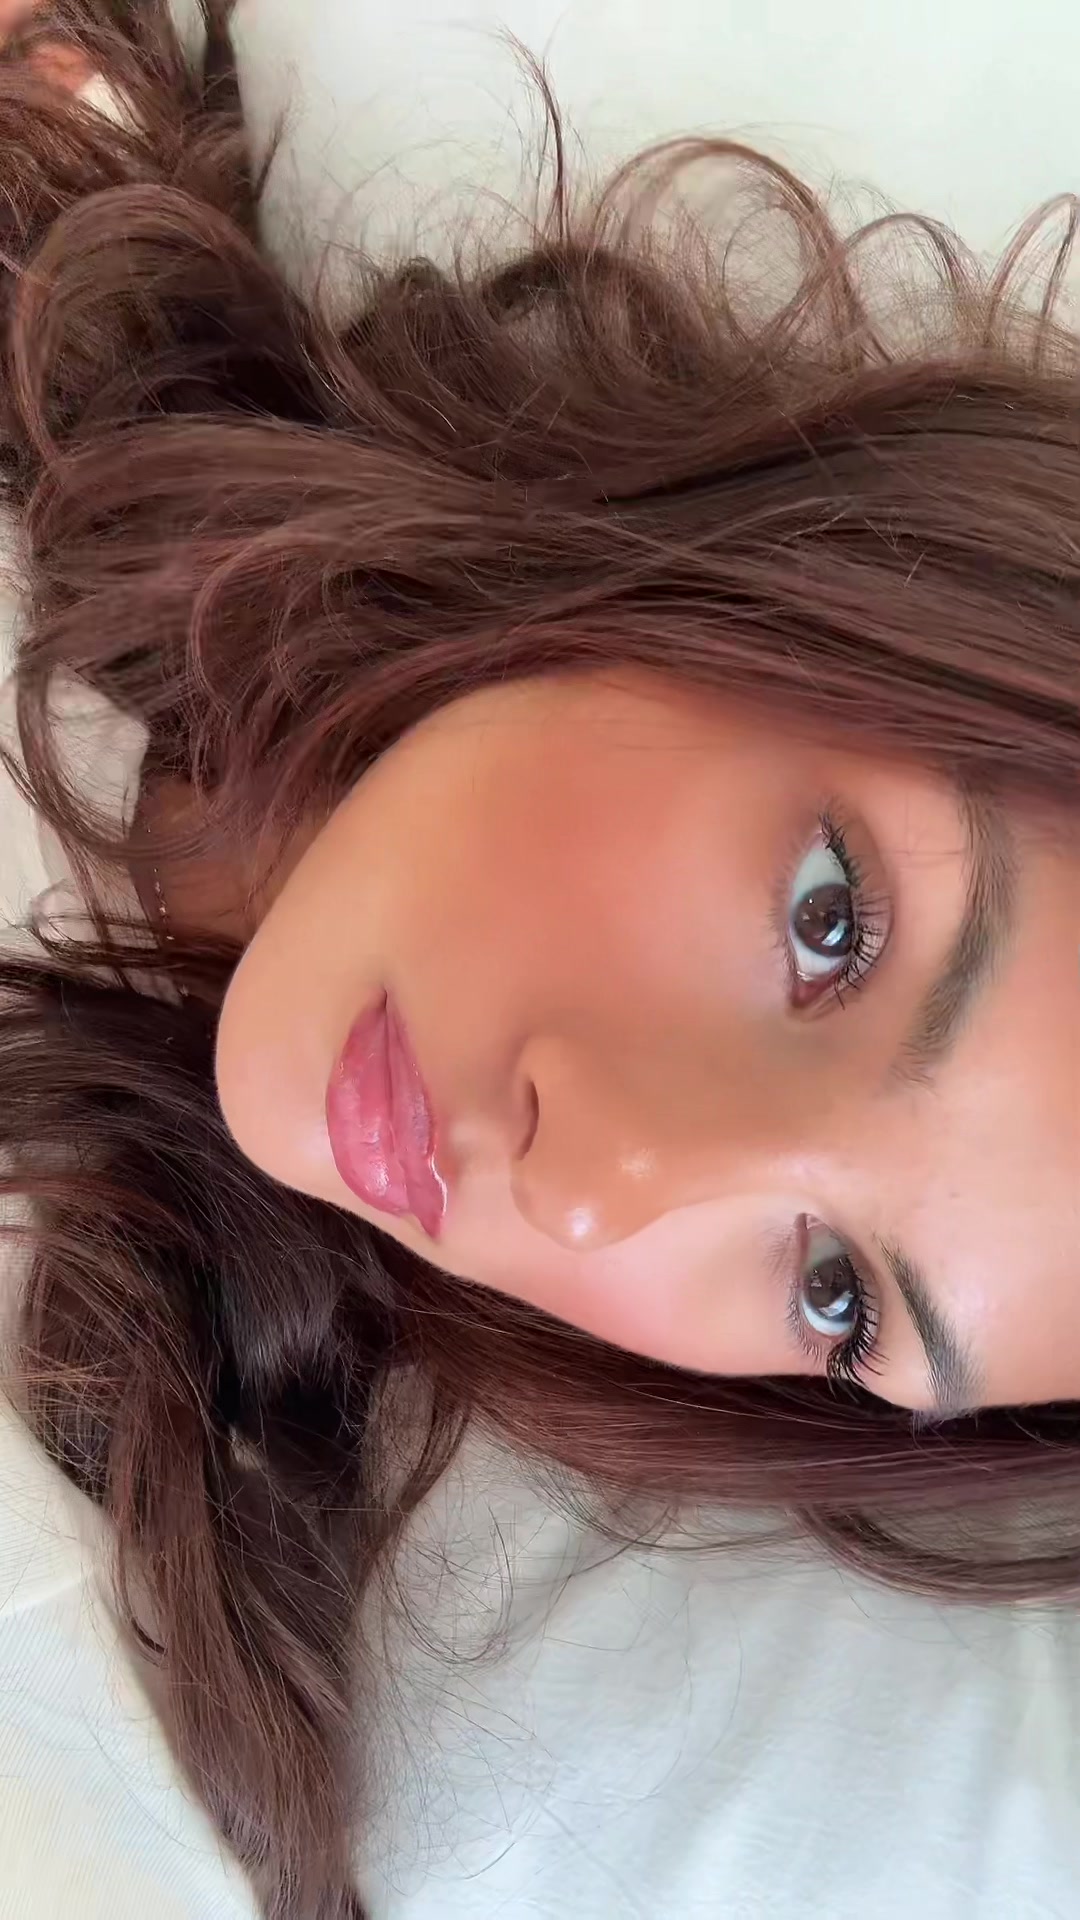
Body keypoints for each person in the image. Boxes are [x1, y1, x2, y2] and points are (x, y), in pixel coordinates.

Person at [0, 4, 1078, 1919]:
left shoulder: (141, 1584)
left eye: (838, 1295)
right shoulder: (93, 227)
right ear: (806, 584)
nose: (598, 1189)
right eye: (829, 925)